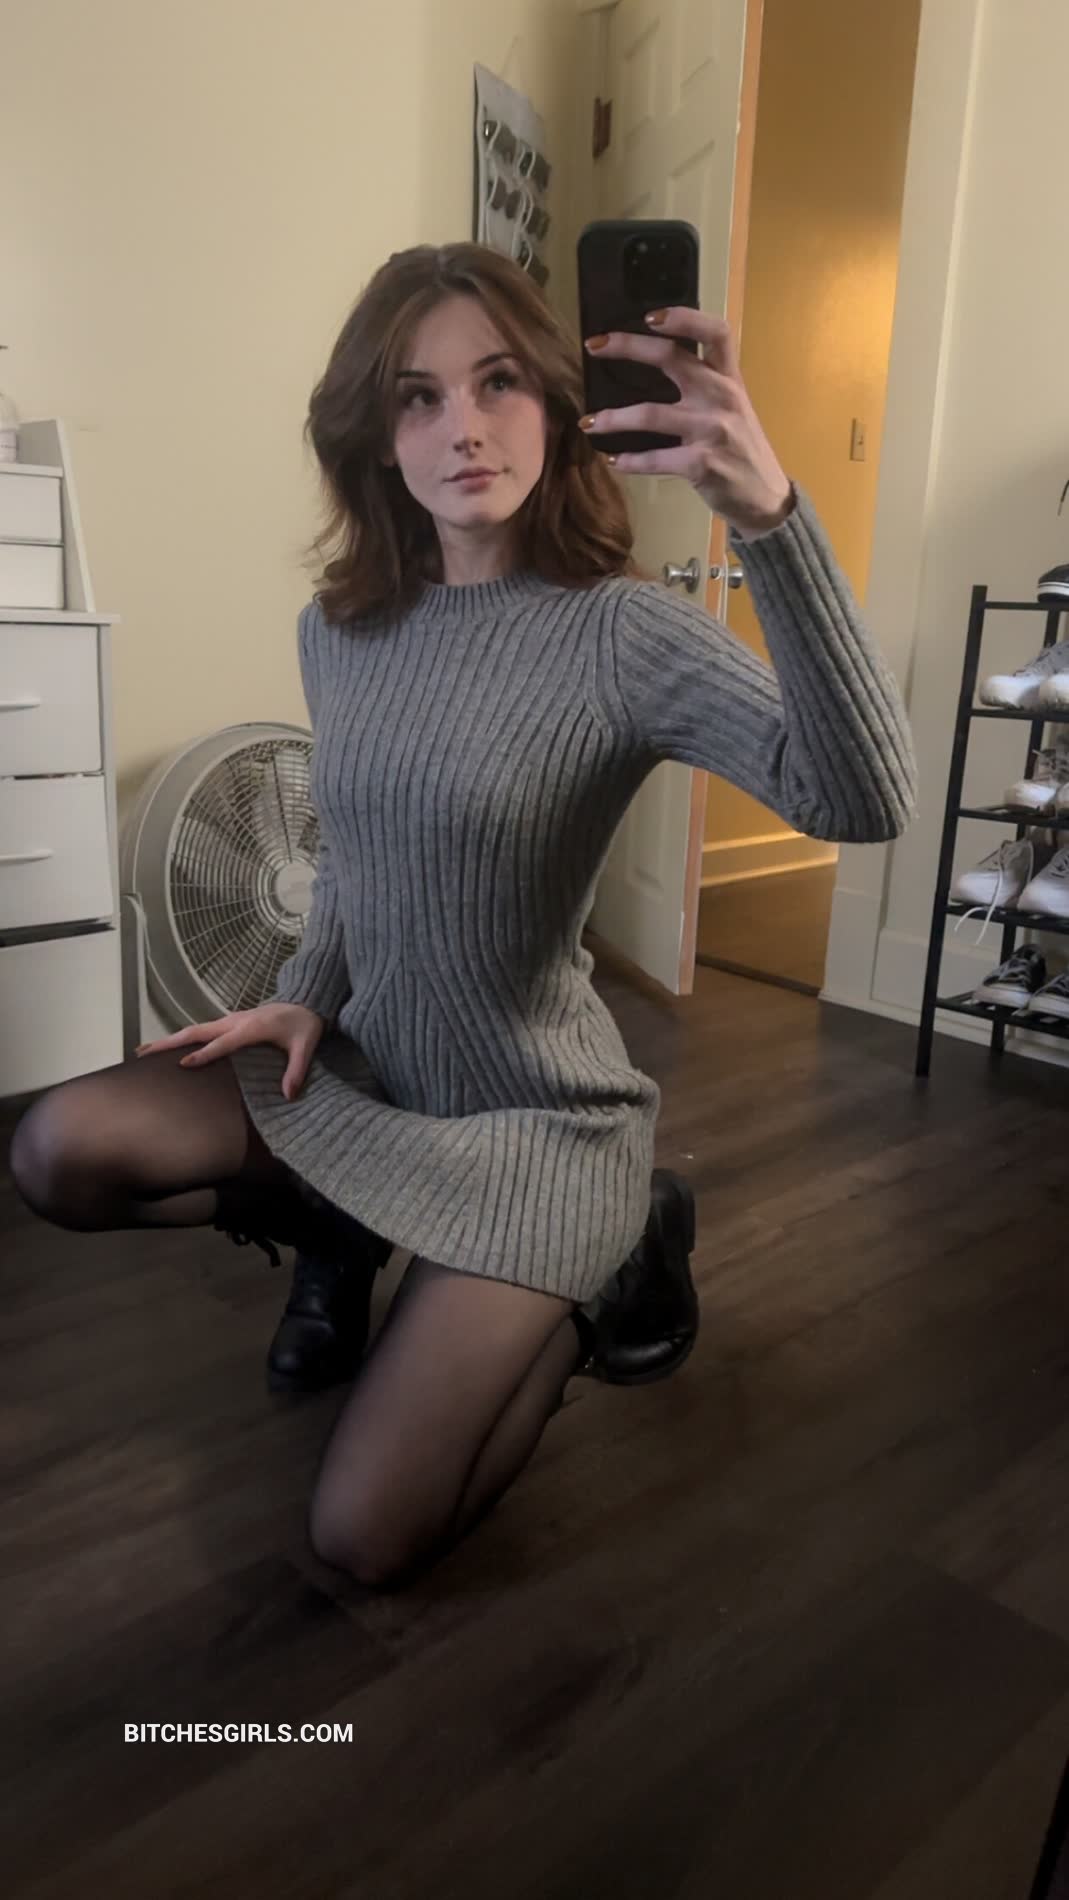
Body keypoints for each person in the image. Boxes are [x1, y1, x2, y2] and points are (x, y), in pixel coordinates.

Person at [9, 242, 916, 1589]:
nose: (464, 428)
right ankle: (341, 1226)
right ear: (376, 436)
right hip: (368, 1067)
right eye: (417, 397)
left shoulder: (621, 635)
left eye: (498, 383)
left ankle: (606, 1260)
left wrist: (771, 520)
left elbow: (862, 798)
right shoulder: (340, 628)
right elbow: (354, 851)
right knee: (60, 1152)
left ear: (556, 402)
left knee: (364, 1537)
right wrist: (303, 995)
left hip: (533, 1122)